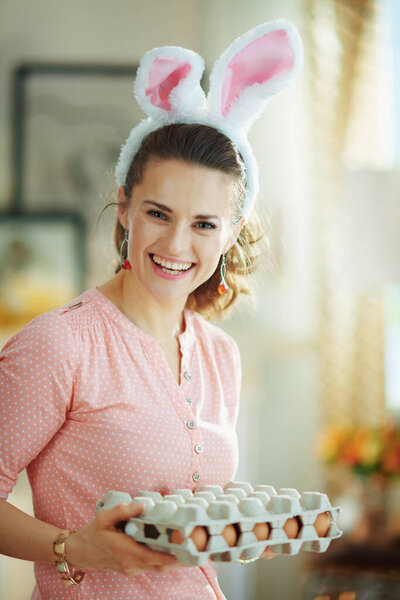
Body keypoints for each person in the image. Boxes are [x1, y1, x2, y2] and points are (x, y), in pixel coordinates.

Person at [0, 19, 302, 600]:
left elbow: (189, 498)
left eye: (204, 224)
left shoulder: (221, 355)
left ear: (230, 233)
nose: (175, 245)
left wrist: (245, 526)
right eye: (158, 214)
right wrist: (73, 546)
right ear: (124, 208)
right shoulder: (61, 344)